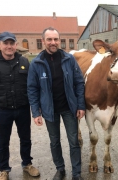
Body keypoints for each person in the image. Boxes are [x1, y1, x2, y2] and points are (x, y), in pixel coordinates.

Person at [0, 31, 40, 180]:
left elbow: (33, 86)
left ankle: (27, 164)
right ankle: (4, 169)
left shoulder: (25, 62)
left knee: (25, 138)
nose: (9, 46)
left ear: (16, 45)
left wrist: (36, 110)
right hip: (2, 110)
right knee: (2, 141)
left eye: (11, 43)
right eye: (5, 43)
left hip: (22, 108)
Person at [27, 27, 85, 180]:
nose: (53, 42)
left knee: (74, 141)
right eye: (49, 39)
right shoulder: (37, 63)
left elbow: (79, 82)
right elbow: (32, 89)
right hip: (49, 110)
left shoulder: (69, 59)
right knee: (54, 141)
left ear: (59, 41)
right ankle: (60, 169)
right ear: (43, 41)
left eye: (56, 39)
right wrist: (36, 112)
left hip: (69, 108)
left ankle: (76, 173)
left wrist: (80, 105)